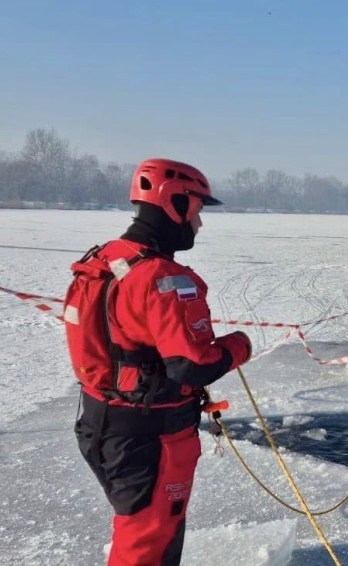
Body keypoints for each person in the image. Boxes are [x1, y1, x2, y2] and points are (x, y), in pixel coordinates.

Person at [63, 158, 252, 565]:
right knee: (149, 543)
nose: (198, 225)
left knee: (139, 533)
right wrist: (240, 346)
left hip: (101, 424)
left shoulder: (106, 258)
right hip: (149, 438)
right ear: (175, 204)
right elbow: (192, 365)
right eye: (198, 212)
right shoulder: (164, 278)